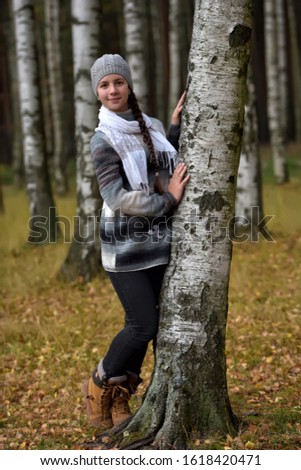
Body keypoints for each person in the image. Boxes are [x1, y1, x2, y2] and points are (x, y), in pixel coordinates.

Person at [82, 54, 189, 430]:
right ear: (97, 92)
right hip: (124, 247)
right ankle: (98, 385)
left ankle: (122, 393)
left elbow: (159, 165)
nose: (113, 90)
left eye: (118, 82)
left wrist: (173, 129)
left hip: (158, 242)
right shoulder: (103, 138)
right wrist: (169, 201)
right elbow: (117, 197)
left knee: (154, 325)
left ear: (129, 85)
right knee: (142, 325)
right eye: (104, 85)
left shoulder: (151, 125)